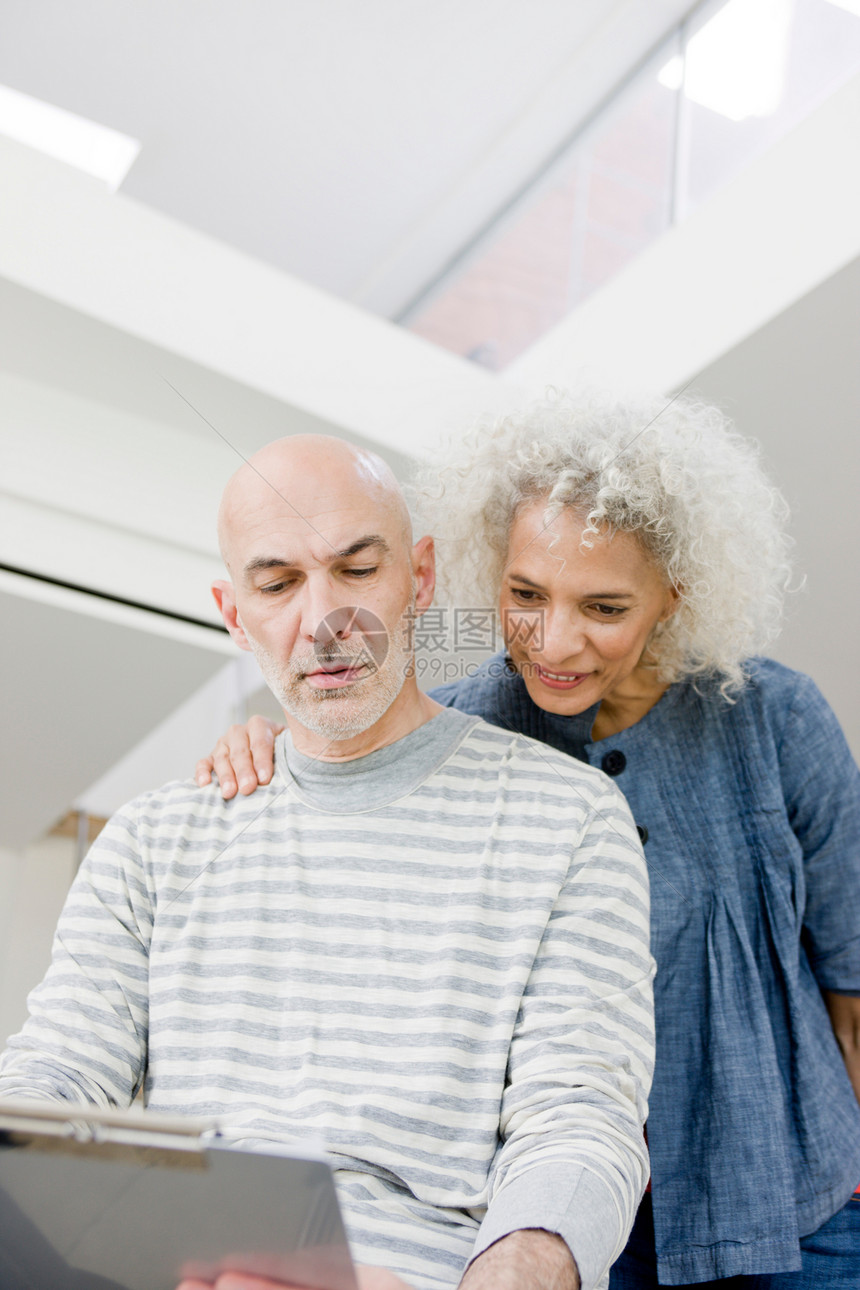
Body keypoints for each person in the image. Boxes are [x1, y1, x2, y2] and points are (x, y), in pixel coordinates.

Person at [200, 393, 860, 1288]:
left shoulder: (778, 721)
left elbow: (851, 988)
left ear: (676, 594)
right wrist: (266, 743)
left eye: (604, 606)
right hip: (576, 1234)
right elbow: (350, 771)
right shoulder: (472, 724)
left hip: (797, 1209)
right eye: (524, 595)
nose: (555, 641)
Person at [0, 434, 656, 1290]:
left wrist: (512, 1273)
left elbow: (578, 1121)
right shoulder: (150, 843)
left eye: (357, 571)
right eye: (277, 585)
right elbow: (55, 1078)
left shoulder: (572, 820)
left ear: (419, 578)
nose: (326, 622)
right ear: (234, 613)